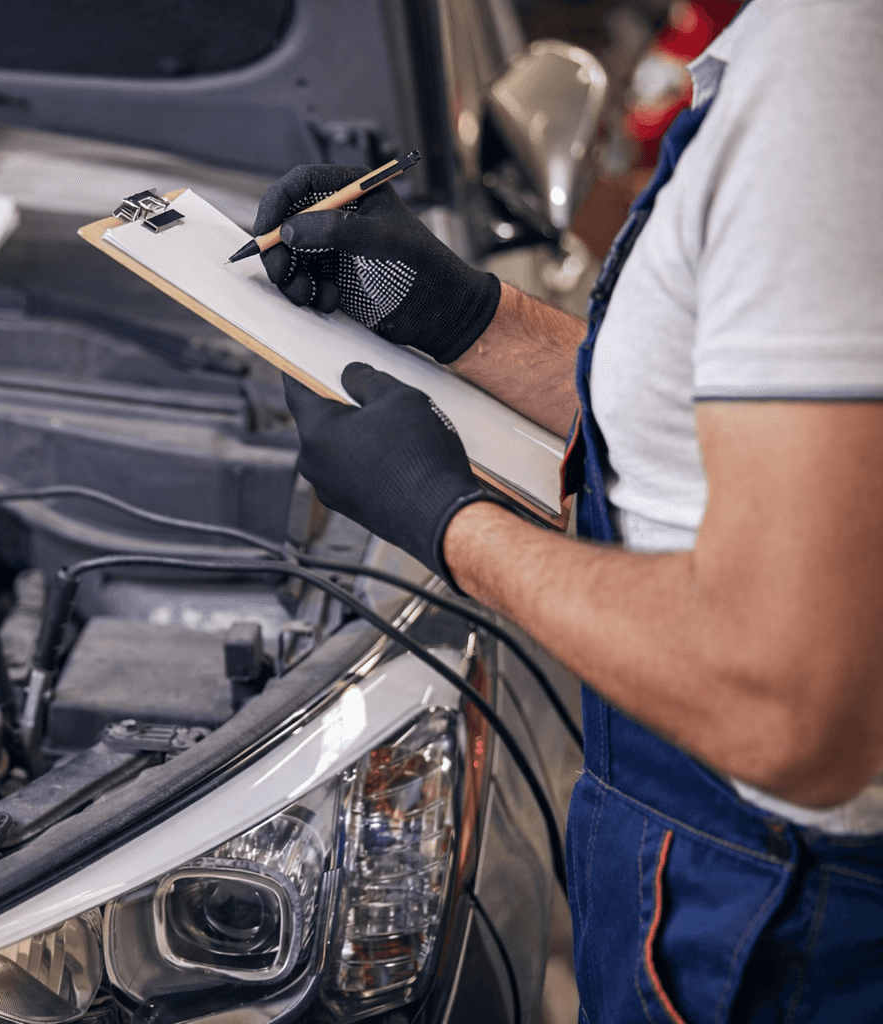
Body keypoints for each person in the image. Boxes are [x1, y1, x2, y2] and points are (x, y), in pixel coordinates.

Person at [257, 0, 883, 1018]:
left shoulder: (834, 83)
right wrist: (467, 317)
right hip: (746, 866)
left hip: (784, 914)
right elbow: (708, 419)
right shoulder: (804, 53)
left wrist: (448, 517)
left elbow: (788, 702)